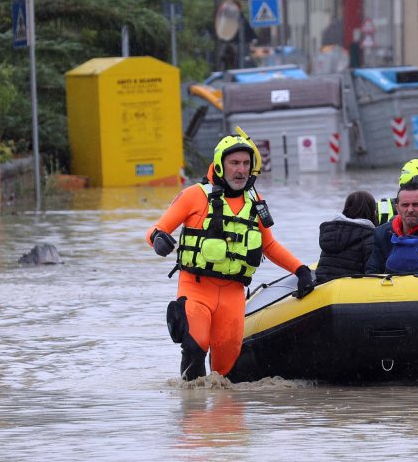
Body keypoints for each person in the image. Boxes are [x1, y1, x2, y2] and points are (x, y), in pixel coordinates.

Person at [146, 132, 314, 381]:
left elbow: (270, 245)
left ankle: (222, 418)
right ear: (220, 165)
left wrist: (300, 270)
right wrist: (159, 240)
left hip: (233, 295)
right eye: (234, 163)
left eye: (246, 164)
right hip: (196, 288)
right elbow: (155, 231)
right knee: (195, 346)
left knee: (224, 369)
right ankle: (192, 412)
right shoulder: (194, 195)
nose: (241, 170)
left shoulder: (255, 202)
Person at [314, 190, 377, 284]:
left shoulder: (331, 232)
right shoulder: (369, 236)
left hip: (322, 286)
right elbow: (372, 272)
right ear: (371, 210)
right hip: (350, 290)